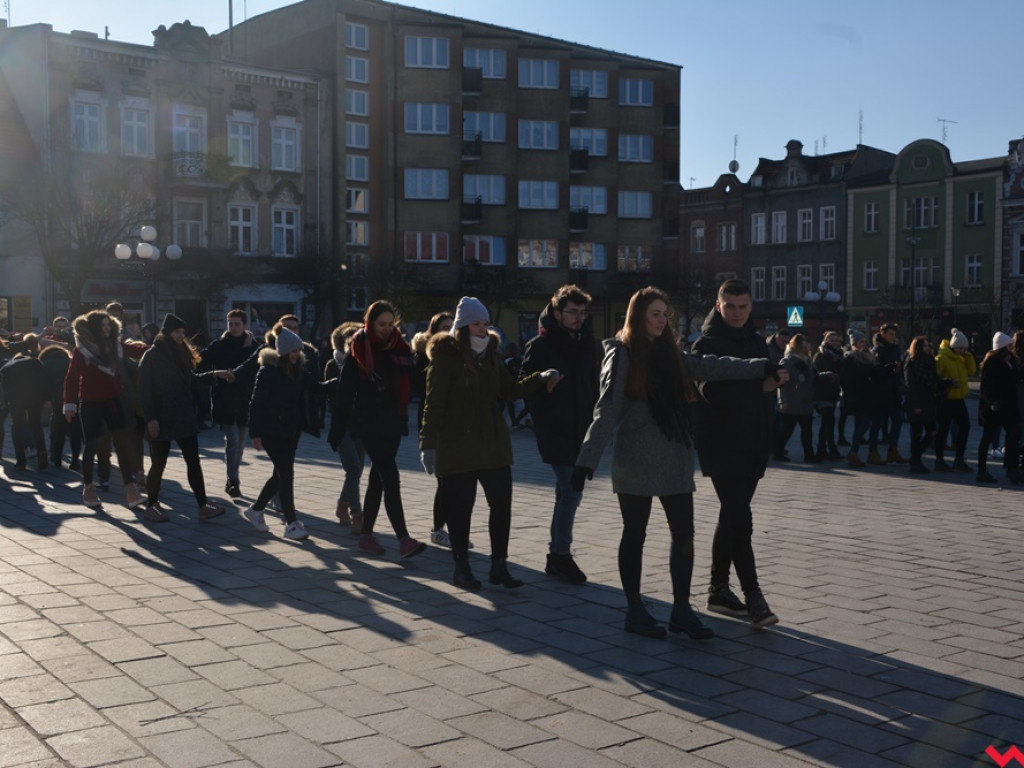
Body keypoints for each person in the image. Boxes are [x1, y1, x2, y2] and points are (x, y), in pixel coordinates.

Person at [574, 286, 781, 639]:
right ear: (637, 316)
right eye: (654, 314)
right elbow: (606, 408)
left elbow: (710, 366)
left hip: (674, 455)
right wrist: (586, 460)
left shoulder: (673, 353)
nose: (661, 320)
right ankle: (635, 609)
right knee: (634, 534)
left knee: (684, 533)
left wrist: (760, 365)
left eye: (663, 314)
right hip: (636, 457)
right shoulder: (622, 353)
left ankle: (682, 610)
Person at [420, 296, 560, 590]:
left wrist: (540, 378)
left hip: (494, 445)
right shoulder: (446, 358)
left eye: (485, 323)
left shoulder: (492, 356)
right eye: (476, 324)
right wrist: (428, 444)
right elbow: (433, 405)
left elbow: (510, 390)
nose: (483, 329)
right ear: (462, 326)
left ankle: (499, 567)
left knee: (501, 506)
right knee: (461, 509)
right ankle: (462, 568)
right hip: (457, 446)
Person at [691, 279, 789, 630]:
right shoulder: (706, 344)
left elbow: (762, 392)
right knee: (741, 519)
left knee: (731, 517)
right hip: (721, 445)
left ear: (751, 307)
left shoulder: (757, 342)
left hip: (754, 445)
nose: (736, 313)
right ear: (718, 307)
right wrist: (758, 386)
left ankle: (718, 590)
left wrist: (775, 383)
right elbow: (710, 394)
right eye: (730, 306)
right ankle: (754, 599)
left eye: (743, 306)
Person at [333, 301, 426, 558]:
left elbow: (418, 381)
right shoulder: (358, 350)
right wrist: (337, 429)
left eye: (389, 324)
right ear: (370, 323)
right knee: (391, 476)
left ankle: (366, 536)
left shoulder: (401, 348)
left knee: (378, 479)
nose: (386, 329)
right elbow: (345, 393)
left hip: (395, 422)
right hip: (368, 423)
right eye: (380, 324)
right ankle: (404, 538)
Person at [521, 284, 600, 584]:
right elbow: (523, 386)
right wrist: (543, 384)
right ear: (557, 313)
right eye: (572, 312)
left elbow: (593, 385)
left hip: (581, 429)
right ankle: (562, 556)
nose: (578, 318)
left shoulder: (587, 343)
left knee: (565, 493)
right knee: (572, 491)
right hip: (554, 429)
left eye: (582, 313)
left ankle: (556, 556)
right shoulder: (541, 345)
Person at [138, 314, 234, 522]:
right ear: (167, 333)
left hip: (183, 416)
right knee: (158, 464)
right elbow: (144, 391)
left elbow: (191, 380)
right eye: (177, 332)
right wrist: (151, 418)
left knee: (193, 462)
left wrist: (214, 374)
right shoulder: (152, 356)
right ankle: (151, 504)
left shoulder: (181, 353)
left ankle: (202, 505)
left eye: (183, 332)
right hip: (161, 418)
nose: (181, 336)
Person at [243, 326, 328, 539]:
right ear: (282, 352)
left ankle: (256, 510)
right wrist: (255, 433)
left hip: (291, 430)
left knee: (279, 474)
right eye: (292, 350)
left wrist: (342, 382)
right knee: (286, 473)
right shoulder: (269, 371)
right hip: (272, 431)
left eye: (298, 350)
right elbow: (256, 403)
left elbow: (317, 387)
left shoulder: (298, 369)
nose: (296, 354)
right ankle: (291, 523)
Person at [62, 310, 147, 509]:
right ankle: (89, 488)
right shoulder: (82, 350)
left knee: (122, 443)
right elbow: (72, 377)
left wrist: (161, 345)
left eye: (109, 325)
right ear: (93, 329)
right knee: (92, 446)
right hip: (90, 403)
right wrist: (69, 404)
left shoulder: (115, 347)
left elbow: (139, 351)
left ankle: (130, 489)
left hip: (112, 402)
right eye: (102, 326)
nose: (107, 329)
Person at [201, 309, 261, 498]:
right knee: (232, 440)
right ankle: (233, 480)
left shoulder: (254, 347)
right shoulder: (219, 345)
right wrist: (215, 375)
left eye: (237, 323)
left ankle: (233, 477)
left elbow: (260, 370)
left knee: (241, 442)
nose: (233, 327)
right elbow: (200, 361)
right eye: (230, 323)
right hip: (224, 399)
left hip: (246, 399)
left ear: (245, 325)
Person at [411, 311, 459, 546]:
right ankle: (438, 529)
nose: (447, 331)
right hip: (434, 421)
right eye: (443, 326)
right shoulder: (424, 356)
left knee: (453, 480)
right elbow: (423, 391)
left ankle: (448, 528)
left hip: (455, 422)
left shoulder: (457, 352)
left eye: (451, 326)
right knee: (445, 480)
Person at [325, 321, 366, 533]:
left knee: (356, 470)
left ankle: (342, 504)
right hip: (342, 426)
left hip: (360, 423)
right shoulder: (333, 365)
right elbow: (335, 398)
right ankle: (356, 513)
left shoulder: (363, 364)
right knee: (353, 468)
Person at [977, 332, 1022, 484]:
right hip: (994, 407)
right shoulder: (992, 362)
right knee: (987, 438)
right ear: (1003, 347)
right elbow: (986, 387)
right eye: (1009, 345)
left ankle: (1012, 468)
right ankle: (982, 470)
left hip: (1008, 406)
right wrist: (992, 402)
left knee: (1013, 436)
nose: (1012, 347)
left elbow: (1015, 378)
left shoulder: (1011, 360)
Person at [0, 335, 48, 471]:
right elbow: (46, 380)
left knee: (17, 426)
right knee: (35, 424)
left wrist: (6, 402)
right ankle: (42, 450)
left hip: (17, 398)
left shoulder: (8, 366)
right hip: (35, 397)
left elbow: (4, 385)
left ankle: (20, 460)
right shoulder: (35, 362)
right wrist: (46, 398)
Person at [903, 337, 949, 474]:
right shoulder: (911, 363)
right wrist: (915, 404)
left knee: (931, 432)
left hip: (929, 401)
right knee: (917, 433)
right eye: (925, 346)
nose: (929, 348)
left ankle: (915, 457)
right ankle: (915, 462)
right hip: (917, 402)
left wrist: (947, 383)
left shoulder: (929, 361)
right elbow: (910, 386)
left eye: (929, 346)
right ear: (918, 348)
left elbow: (933, 380)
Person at [933, 329, 976, 473]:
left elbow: (972, 371)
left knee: (965, 426)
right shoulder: (942, 358)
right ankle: (939, 460)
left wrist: (968, 357)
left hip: (959, 398)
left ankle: (959, 459)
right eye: (961, 348)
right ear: (954, 346)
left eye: (965, 348)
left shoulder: (962, 358)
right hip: (946, 399)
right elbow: (935, 378)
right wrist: (948, 383)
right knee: (943, 429)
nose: (963, 350)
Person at [775, 334, 818, 463]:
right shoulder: (787, 361)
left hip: (806, 402)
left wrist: (827, 376)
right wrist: (783, 401)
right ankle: (778, 451)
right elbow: (782, 384)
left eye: (806, 344)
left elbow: (813, 377)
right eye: (803, 345)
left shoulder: (808, 361)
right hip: (792, 402)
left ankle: (809, 455)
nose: (806, 347)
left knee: (807, 431)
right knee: (787, 430)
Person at [869, 323, 908, 465]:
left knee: (898, 419)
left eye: (894, 334)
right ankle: (872, 452)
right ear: (883, 333)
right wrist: (890, 367)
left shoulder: (896, 348)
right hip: (880, 392)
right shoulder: (877, 349)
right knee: (877, 423)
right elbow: (875, 370)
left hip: (893, 391)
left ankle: (893, 450)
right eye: (891, 334)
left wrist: (898, 371)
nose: (893, 337)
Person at [39, 344, 81, 470]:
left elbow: (44, 384)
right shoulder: (70, 361)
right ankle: (75, 460)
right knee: (75, 431)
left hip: (57, 399)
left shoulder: (46, 363)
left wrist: (46, 399)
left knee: (58, 429)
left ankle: (56, 457)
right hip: (75, 399)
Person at [842, 329, 879, 468]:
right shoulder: (851, 357)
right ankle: (853, 452)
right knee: (864, 423)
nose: (864, 344)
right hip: (858, 396)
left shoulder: (868, 356)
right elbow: (848, 380)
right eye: (861, 341)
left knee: (862, 424)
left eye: (864, 341)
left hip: (868, 395)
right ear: (854, 343)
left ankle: (854, 452)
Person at [811, 330, 844, 461]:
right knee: (828, 421)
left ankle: (823, 449)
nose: (835, 342)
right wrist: (828, 376)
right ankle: (829, 449)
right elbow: (814, 375)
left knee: (827, 422)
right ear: (825, 340)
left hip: (833, 394)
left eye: (837, 340)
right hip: (821, 393)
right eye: (831, 340)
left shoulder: (839, 356)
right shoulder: (820, 355)